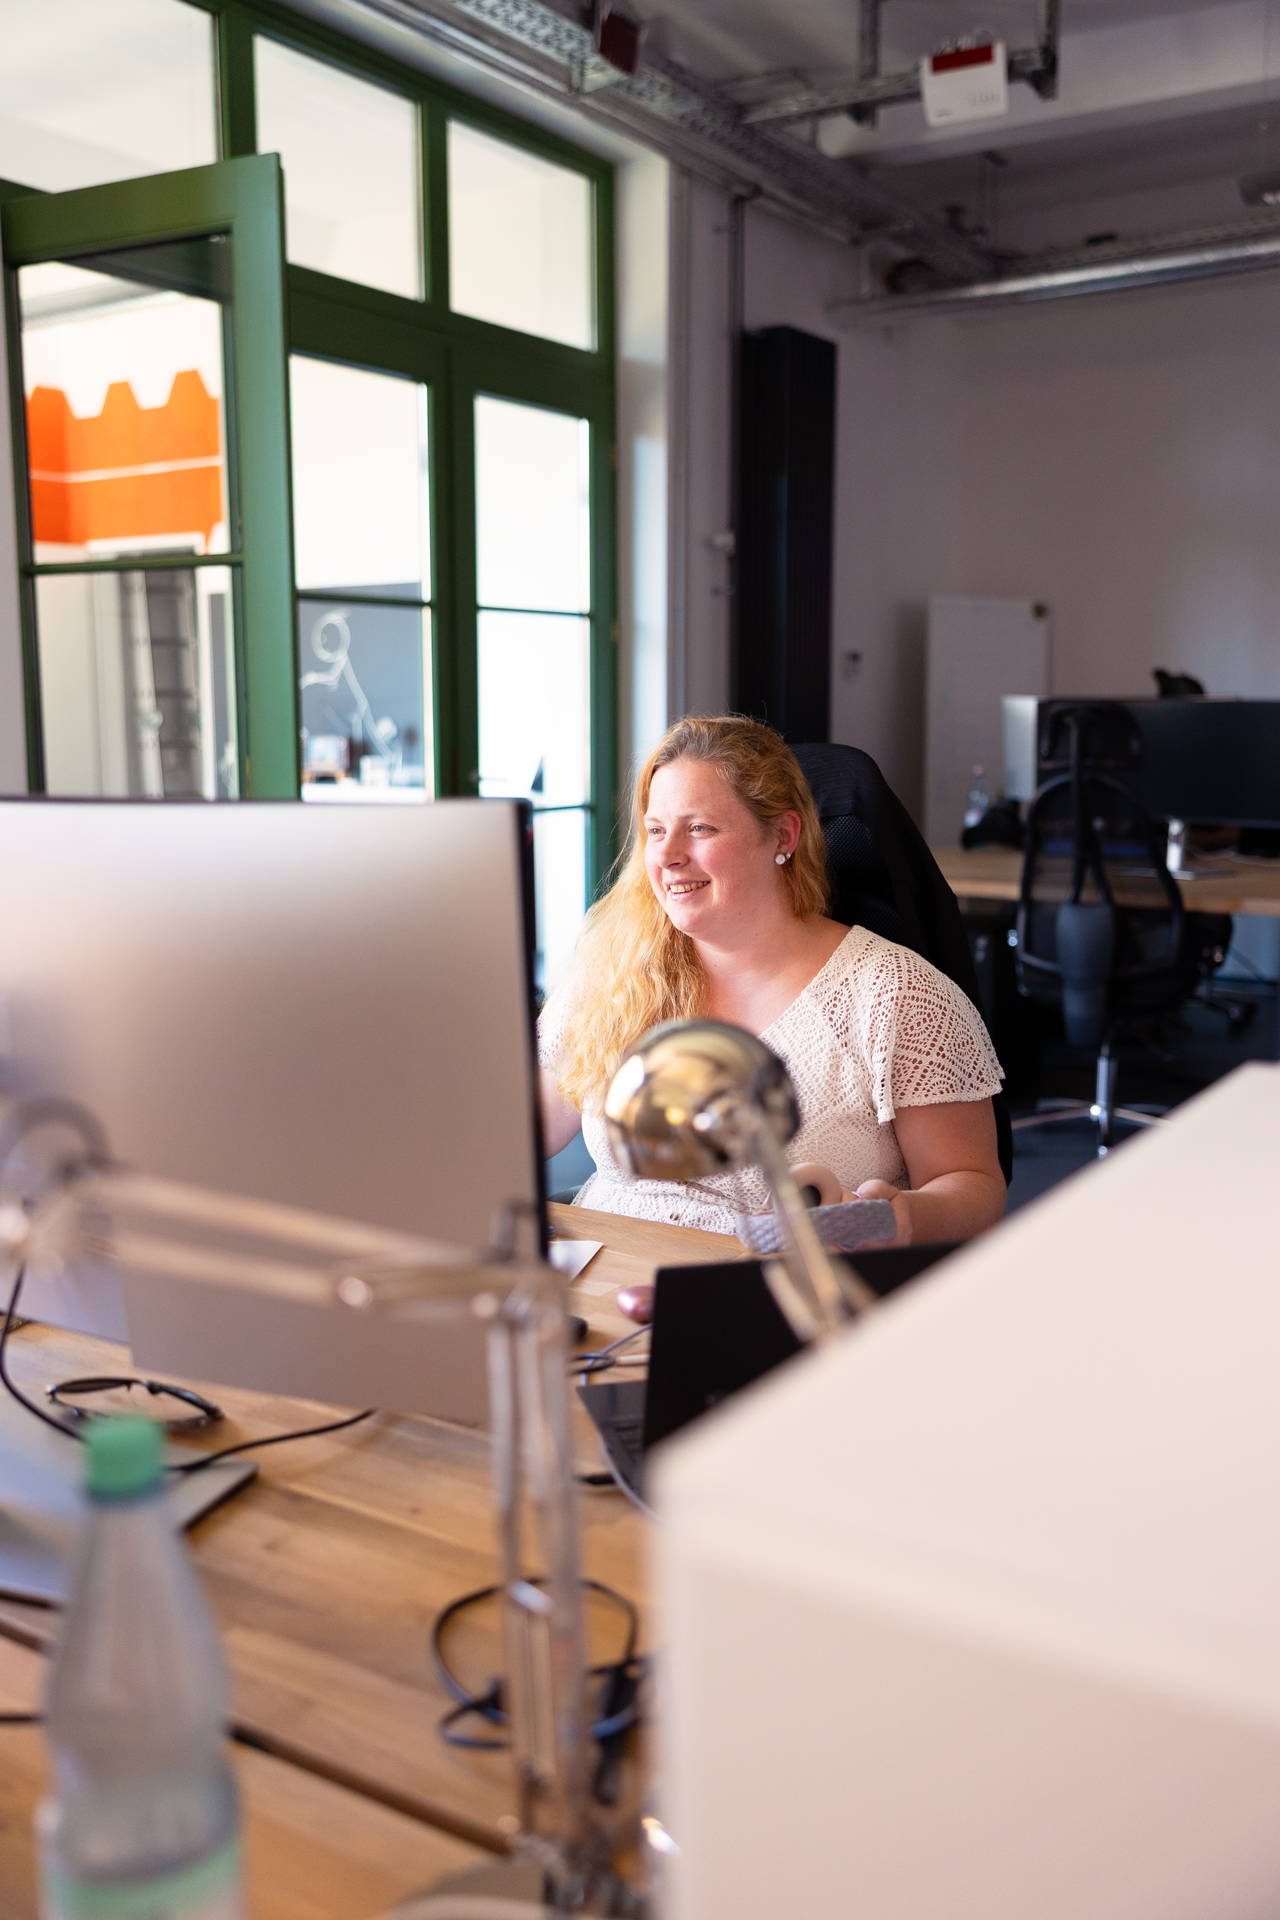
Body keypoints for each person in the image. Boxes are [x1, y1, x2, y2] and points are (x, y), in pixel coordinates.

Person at [540, 715, 1006, 1247]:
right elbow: (523, 1130)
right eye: (655, 831)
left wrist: (885, 1218)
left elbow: (976, 1190)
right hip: (605, 1282)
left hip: (786, 1294)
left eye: (700, 828)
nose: (667, 856)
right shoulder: (615, 972)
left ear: (783, 834)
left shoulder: (894, 994)